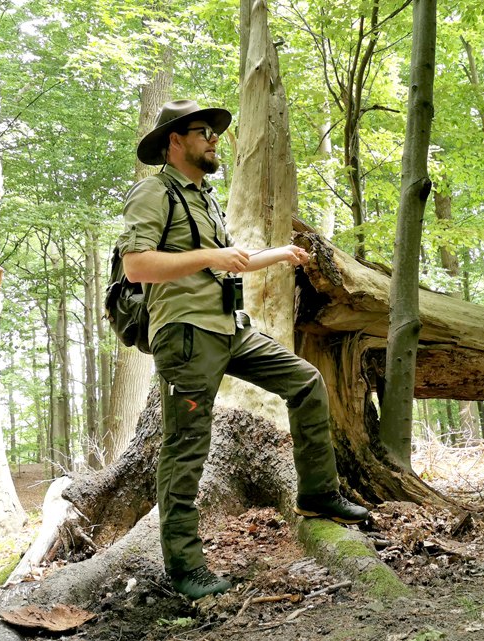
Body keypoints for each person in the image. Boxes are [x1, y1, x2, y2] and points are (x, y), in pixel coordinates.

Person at [117, 100, 369, 600]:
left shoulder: (204, 197)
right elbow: (137, 267)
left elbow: (229, 262)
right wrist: (213, 255)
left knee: (304, 381)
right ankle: (186, 569)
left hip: (230, 329)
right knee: (187, 447)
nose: (213, 139)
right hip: (186, 336)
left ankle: (318, 495)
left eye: (214, 132)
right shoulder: (153, 193)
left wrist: (281, 254)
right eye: (202, 131)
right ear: (175, 141)